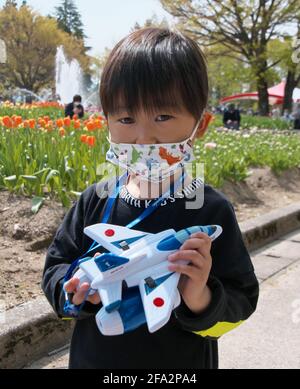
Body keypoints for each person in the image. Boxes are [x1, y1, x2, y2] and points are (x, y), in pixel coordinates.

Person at [42, 27, 259, 369]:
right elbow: (55, 268)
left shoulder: (211, 209)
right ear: (106, 122)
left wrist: (200, 296)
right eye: (126, 118)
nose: (144, 137)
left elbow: (241, 301)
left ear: (200, 125)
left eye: (162, 116)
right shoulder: (94, 201)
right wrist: (76, 291)